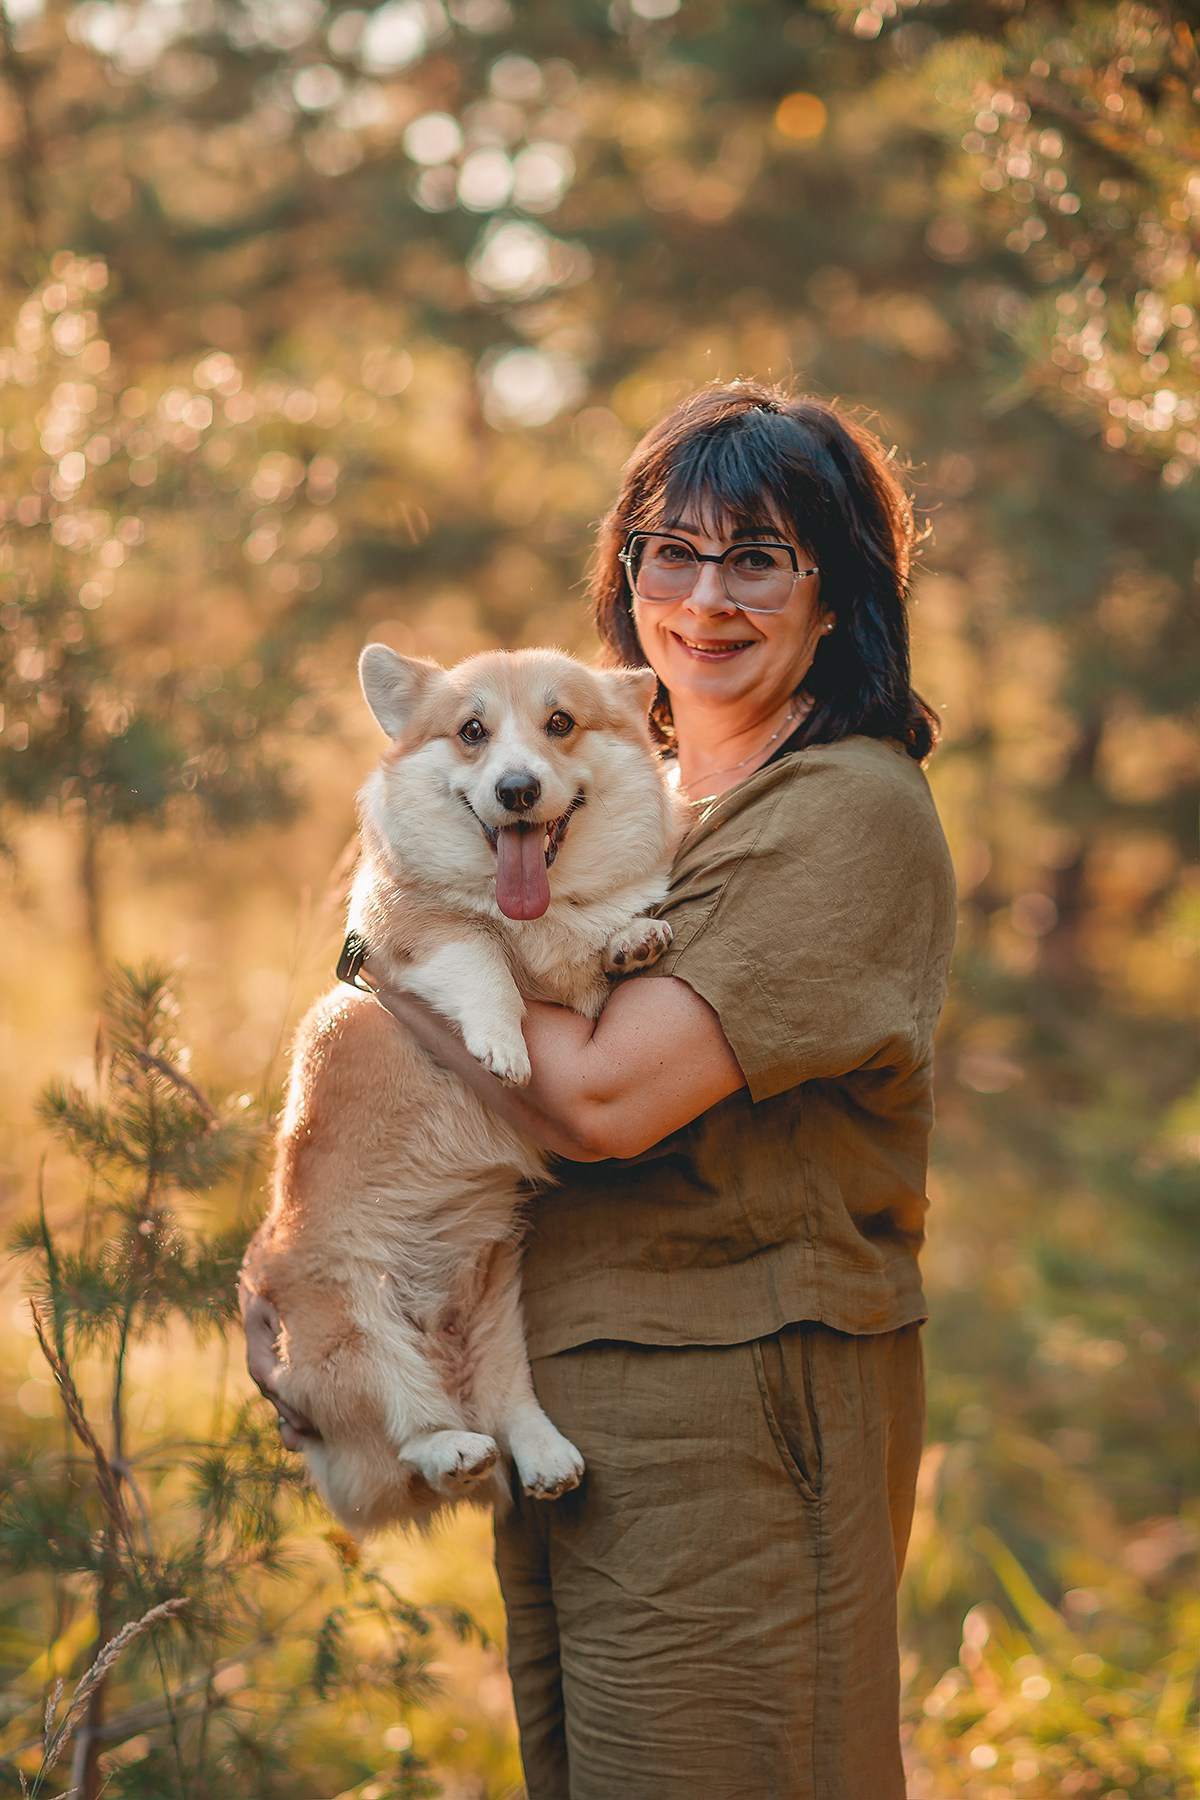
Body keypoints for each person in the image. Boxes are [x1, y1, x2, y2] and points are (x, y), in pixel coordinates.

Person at [243, 380, 957, 1800]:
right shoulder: (613, 791)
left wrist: (403, 939)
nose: (703, 597)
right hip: (564, 1403)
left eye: (760, 556)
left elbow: (597, 1100)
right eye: (668, 552)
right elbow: (412, 1073)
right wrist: (317, 1289)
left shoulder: (844, 812)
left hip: (740, 1420)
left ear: (840, 597)